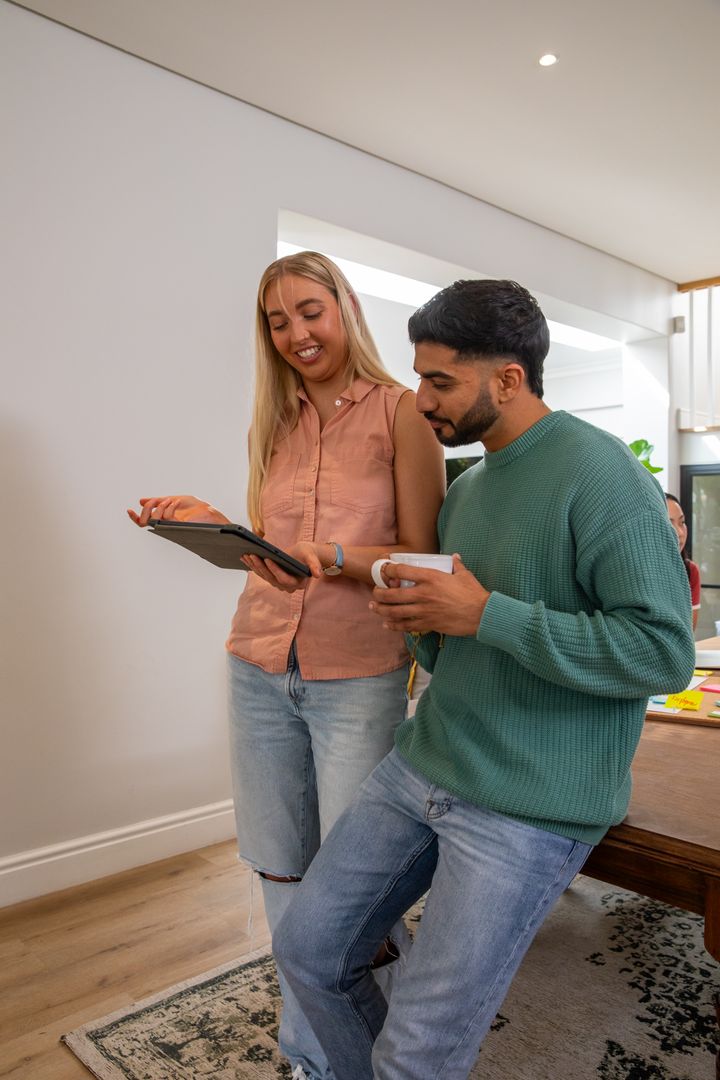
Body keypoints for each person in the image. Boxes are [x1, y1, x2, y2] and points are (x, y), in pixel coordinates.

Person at [273, 278, 697, 1080]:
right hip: (423, 765)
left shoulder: (604, 477)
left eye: (439, 381)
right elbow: (458, 644)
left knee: (419, 1051)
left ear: (508, 378)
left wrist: (484, 615)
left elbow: (662, 653)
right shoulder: (467, 488)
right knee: (306, 950)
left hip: (528, 805)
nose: (421, 397)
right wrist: (428, 624)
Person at [128, 251, 445, 1080]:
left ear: (342, 308)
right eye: (278, 321)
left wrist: (333, 555)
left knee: (355, 887)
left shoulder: (403, 413)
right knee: (280, 864)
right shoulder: (271, 419)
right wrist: (210, 524)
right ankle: (311, 1058)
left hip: (358, 672)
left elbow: (424, 554)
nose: (297, 333)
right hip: (259, 661)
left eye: (310, 311)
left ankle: (407, 1050)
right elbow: (275, 557)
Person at [665, 492, 701, 629]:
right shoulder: (633, 570)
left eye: (682, 522)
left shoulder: (690, 571)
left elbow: (689, 630)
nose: (680, 532)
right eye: (669, 523)